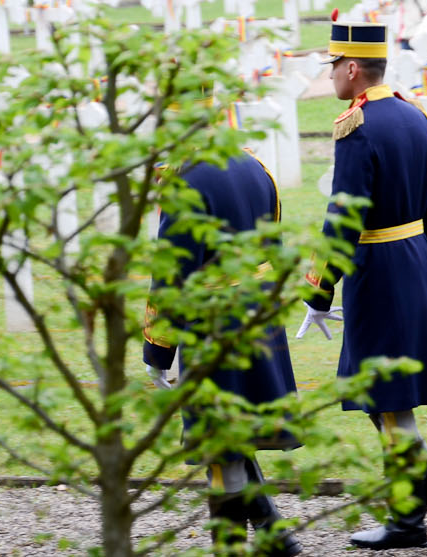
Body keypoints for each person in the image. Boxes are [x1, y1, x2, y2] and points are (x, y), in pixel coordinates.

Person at [299, 20, 427, 550]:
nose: (330, 80)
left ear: (351, 68)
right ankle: (425, 480)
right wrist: (426, 268)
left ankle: (409, 520)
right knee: (374, 386)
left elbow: (343, 216)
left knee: (387, 396)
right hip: (412, 257)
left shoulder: (357, 126)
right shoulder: (417, 117)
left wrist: (319, 289)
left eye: (332, 69)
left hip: (379, 263)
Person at [143, 150, 302, 555]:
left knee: (219, 445)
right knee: (236, 428)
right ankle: (272, 531)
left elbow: (173, 271)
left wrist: (158, 348)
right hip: (260, 310)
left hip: (215, 319)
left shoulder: (184, 178)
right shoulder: (255, 163)